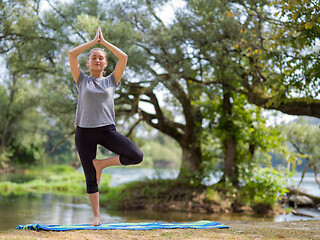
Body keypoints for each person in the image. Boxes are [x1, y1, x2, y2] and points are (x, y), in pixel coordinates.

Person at [69, 27, 143, 226]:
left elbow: (124, 57)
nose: (97, 60)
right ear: (88, 62)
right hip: (84, 132)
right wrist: (93, 43)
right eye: (93, 57)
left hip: (107, 130)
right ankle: (96, 217)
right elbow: (71, 54)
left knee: (136, 155)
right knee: (90, 178)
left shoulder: (112, 80)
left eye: (101, 58)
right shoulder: (81, 79)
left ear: (105, 63)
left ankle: (101, 164)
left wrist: (104, 43)